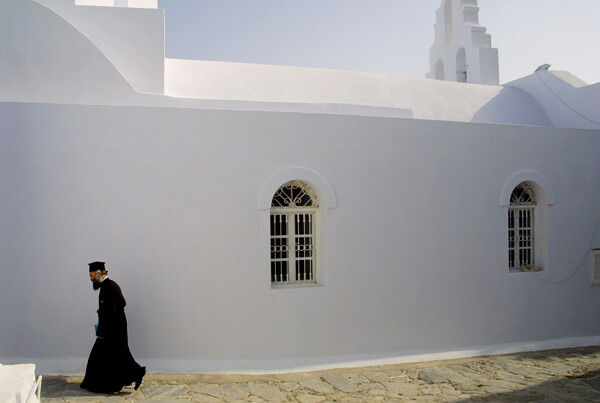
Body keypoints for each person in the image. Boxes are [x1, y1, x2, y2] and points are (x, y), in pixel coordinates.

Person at [80, 261, 146, 394]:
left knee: (102, 356)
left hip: (113, 329)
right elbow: (119, 304)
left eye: (91, 275)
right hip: (115, 327)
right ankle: (129, 376)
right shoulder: (109, 285)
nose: (91, 278)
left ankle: (104, 383)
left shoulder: (108, 287)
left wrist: (102, 331)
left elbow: (112, 310)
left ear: (99, 273)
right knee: (118, 356)